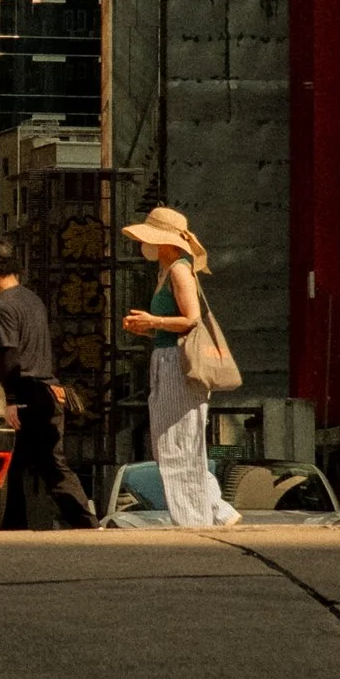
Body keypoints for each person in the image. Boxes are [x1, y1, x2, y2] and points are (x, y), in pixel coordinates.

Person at [120, 205, 241, 529]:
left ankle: (194, 521)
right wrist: (147, 327)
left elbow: (191, 319)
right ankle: (216, 511)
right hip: (166, 359)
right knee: (178, 444)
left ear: (166, 242)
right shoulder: (168, 270)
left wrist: (153, 320)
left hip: (177, 363)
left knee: (177, 445)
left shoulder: (178, 270)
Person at [0, 236, 96, 529]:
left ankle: (13, 528)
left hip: (24, 393)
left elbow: (10, 356)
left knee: (8, 466)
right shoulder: (33, 300)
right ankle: (88, 524)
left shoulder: (3, 306)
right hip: (50, 392)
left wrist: (10, 401)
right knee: (52, 464)